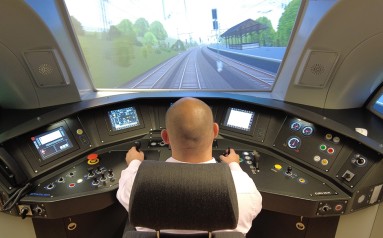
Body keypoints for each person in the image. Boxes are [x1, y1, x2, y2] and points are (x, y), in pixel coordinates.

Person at [117, 97, 262, 235]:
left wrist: (134, 162)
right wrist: (234, 165)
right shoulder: (246, 190)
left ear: (165, 137)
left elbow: (124, 190)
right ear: (215, 131)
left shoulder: (136, 185)